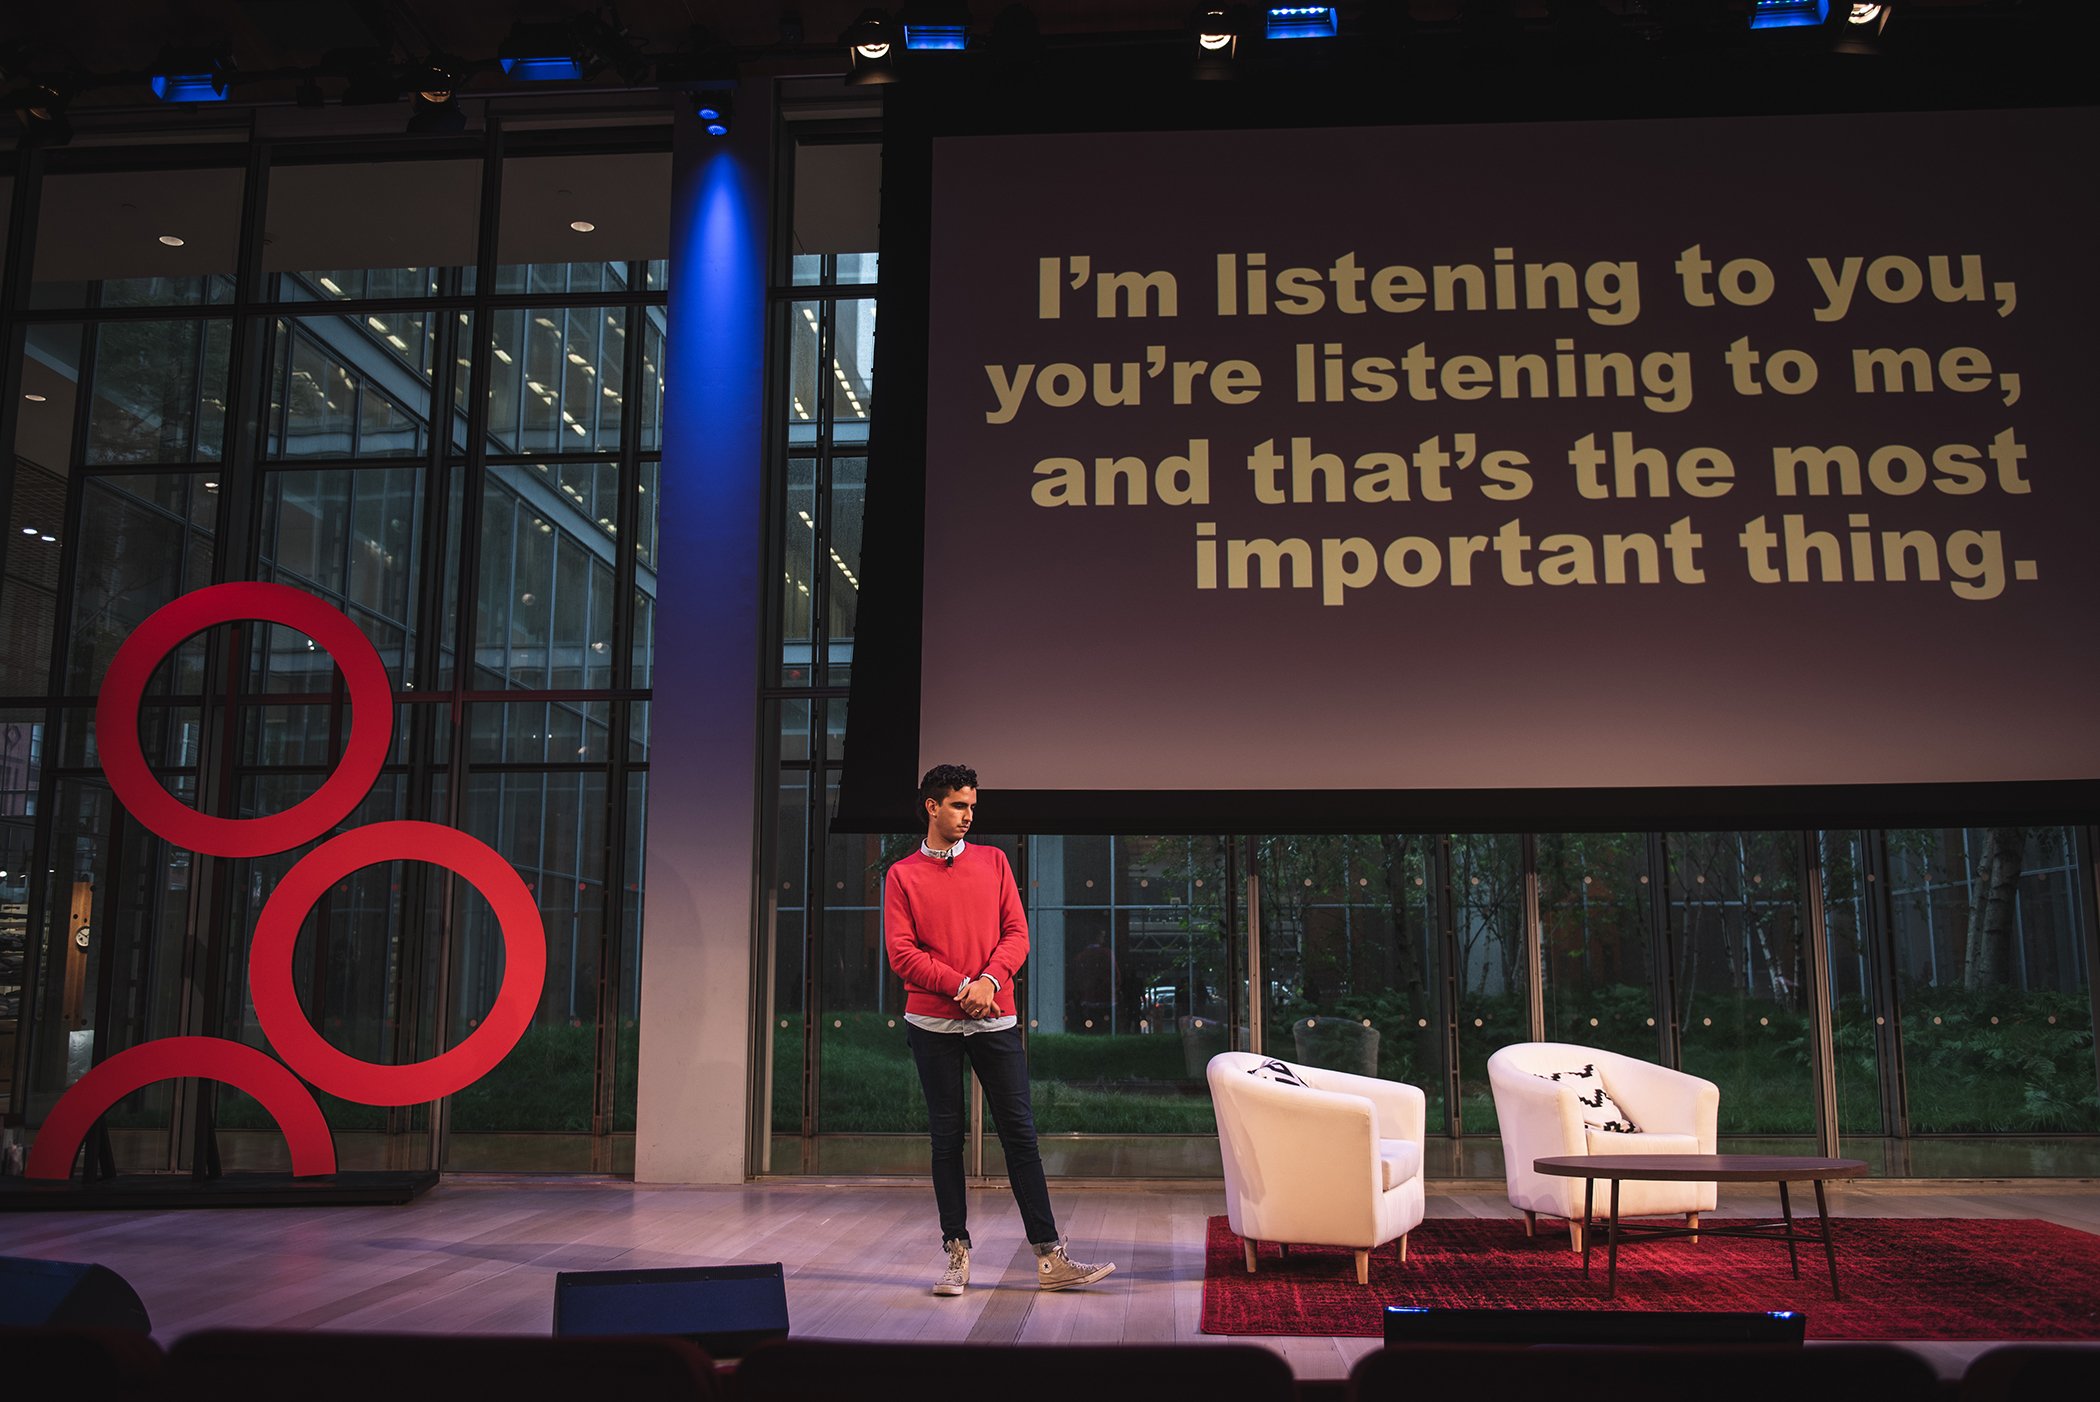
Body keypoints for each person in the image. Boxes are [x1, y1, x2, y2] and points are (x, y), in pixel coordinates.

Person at [885, 762, 1116, 1297]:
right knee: (947, 1137)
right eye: (959, 805)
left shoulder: (994, 862)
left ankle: (1050, 1257)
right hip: (933, 1022)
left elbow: (1017, 933)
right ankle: (956, 1253)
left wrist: (988, 981)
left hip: (996, 1016)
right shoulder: (902, 875)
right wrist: (961, 986)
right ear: (932, 807)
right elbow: (902, 953)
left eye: (972, 806)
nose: (968, 815)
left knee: (1020, 1135)